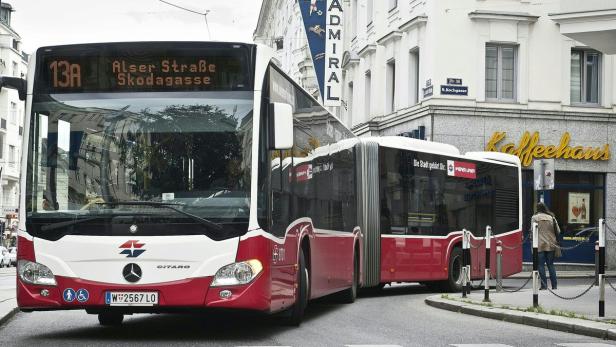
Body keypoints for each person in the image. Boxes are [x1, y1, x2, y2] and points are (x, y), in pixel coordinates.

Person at [531, 202, 561, 290]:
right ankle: (554, 285)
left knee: (540, 265)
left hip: (539, 244)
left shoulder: (534, 217)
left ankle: (544, 286)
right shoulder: (552, 217)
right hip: (551, 244)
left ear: (537, 209)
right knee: (550, 264)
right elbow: (558, 231)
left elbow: (532, 231)